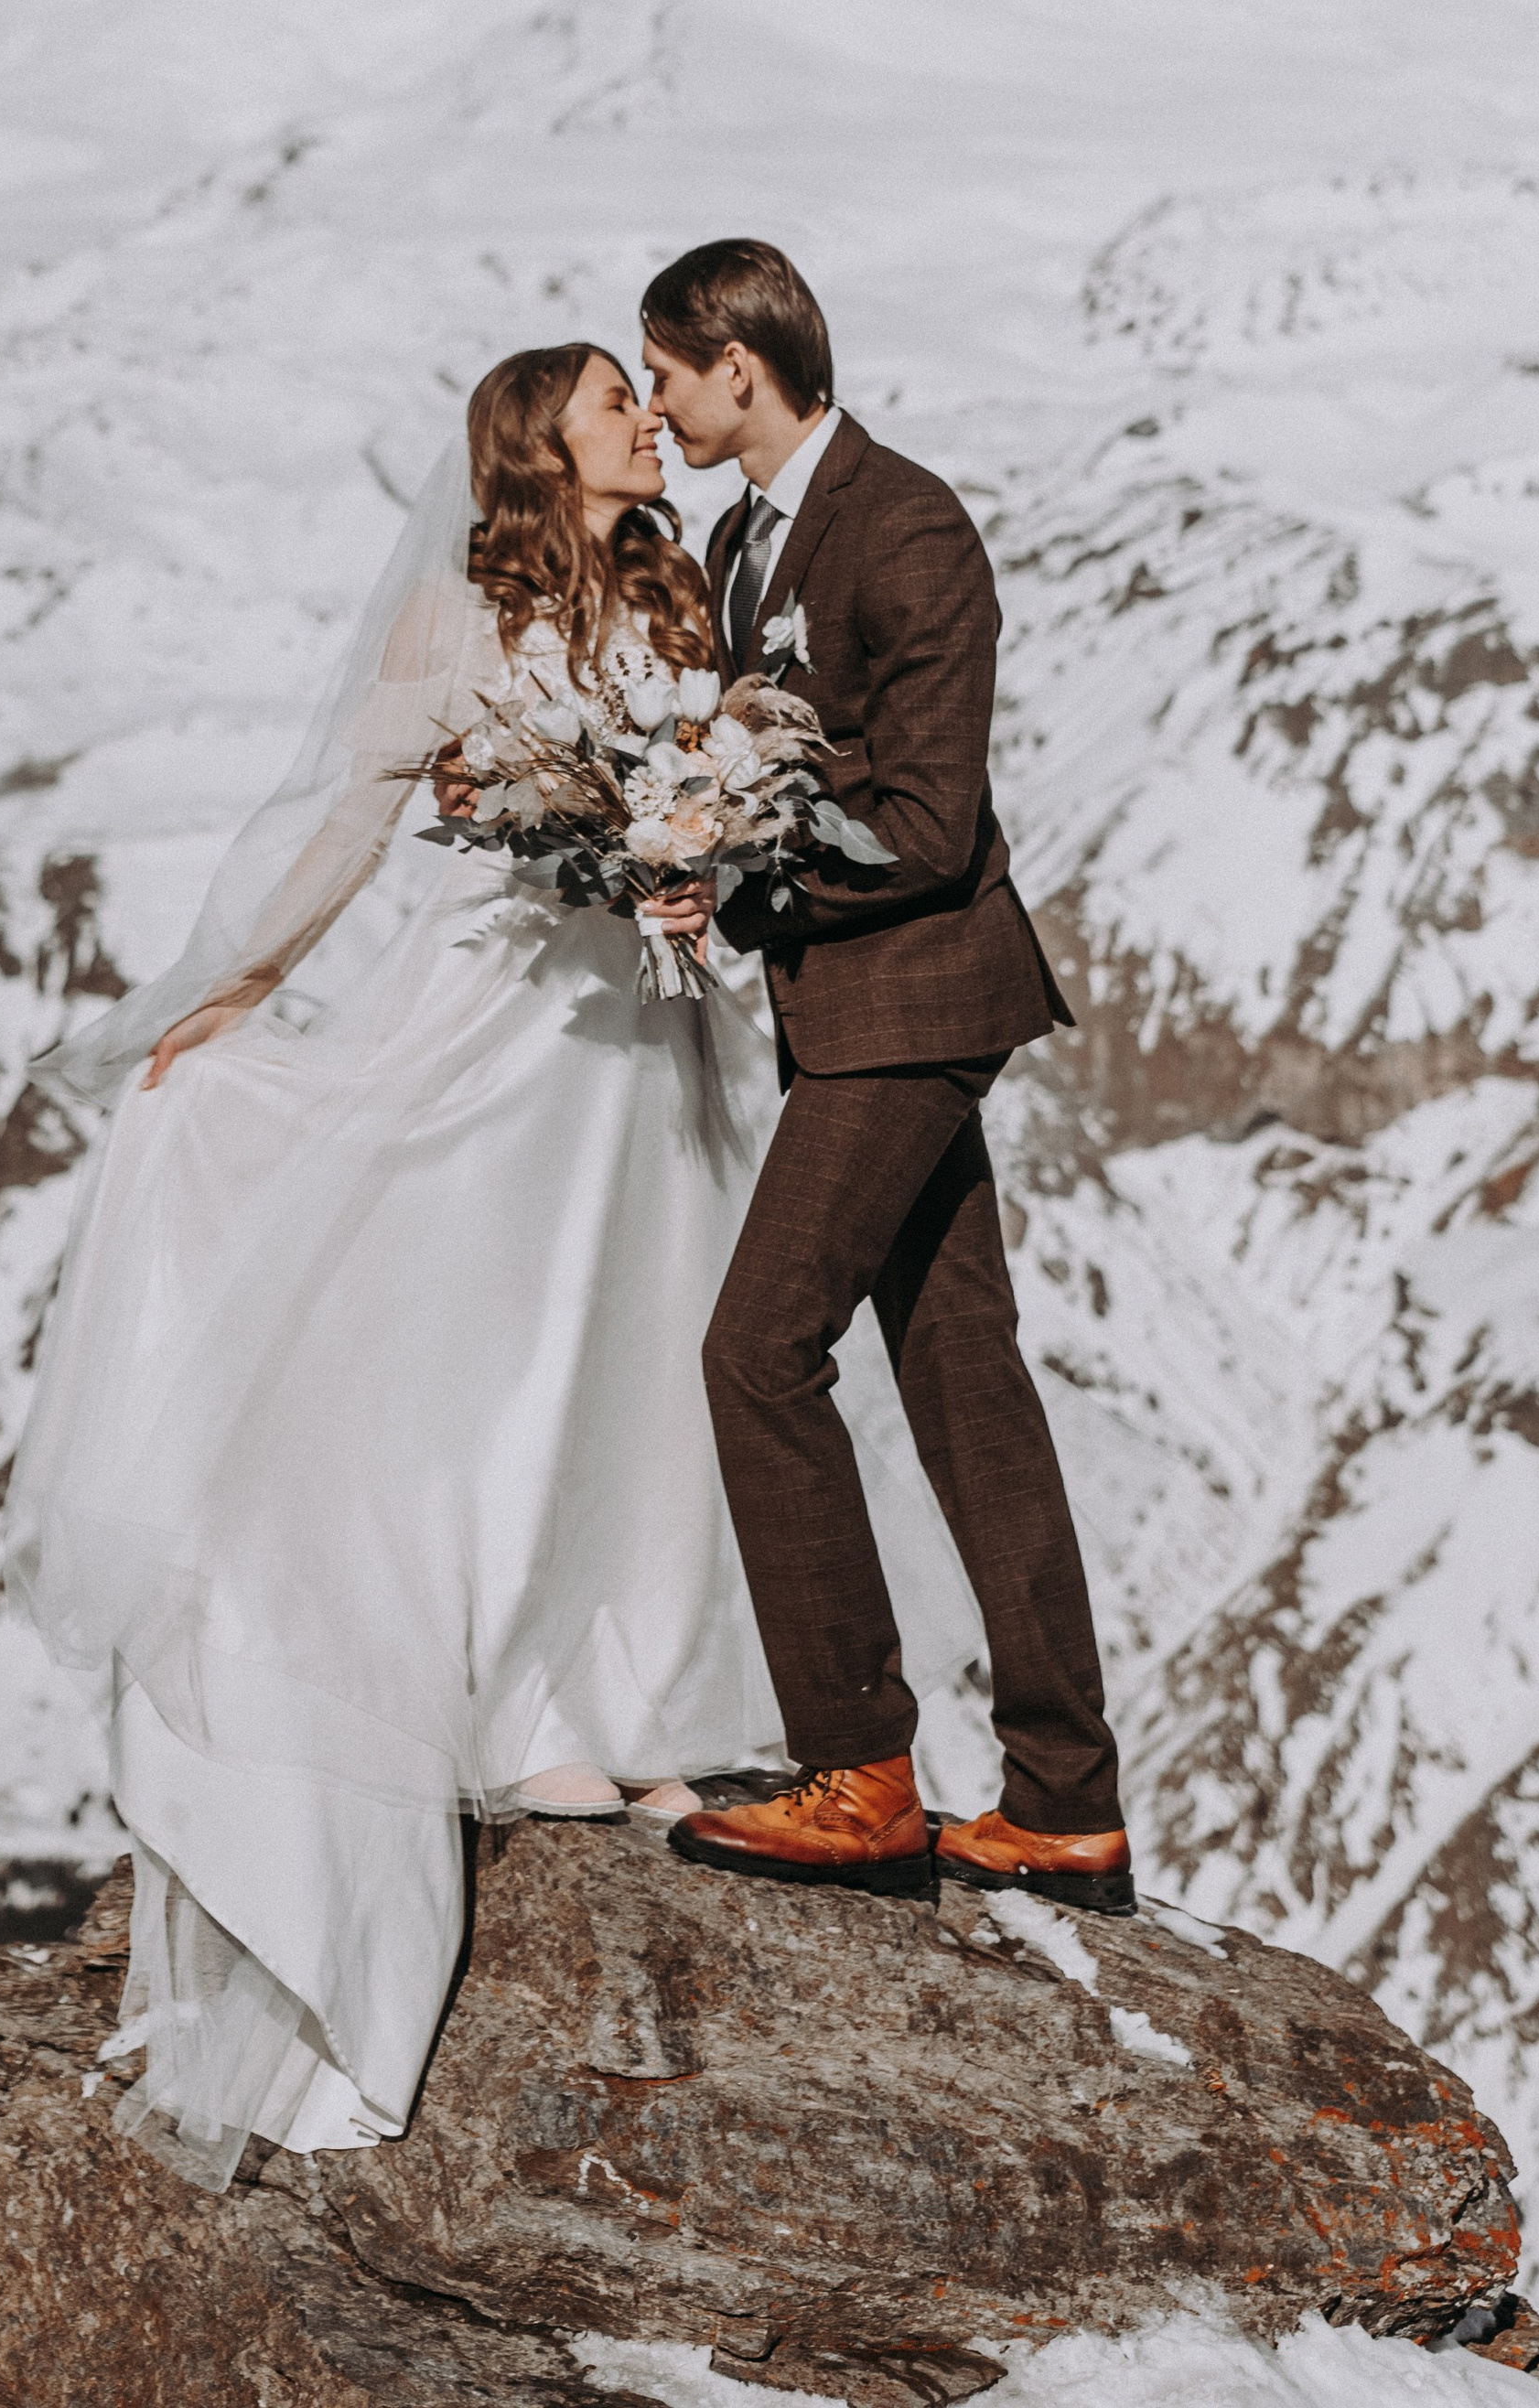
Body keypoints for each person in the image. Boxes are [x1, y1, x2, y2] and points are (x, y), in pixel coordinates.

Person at [5, 341, 982, 2188]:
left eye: (644, 390)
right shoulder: (470, 596)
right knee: (496, 1335)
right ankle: (524, 1702)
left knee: (650, 1351)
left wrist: (693, 855)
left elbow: (710, 788)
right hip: (501, 1022)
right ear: (536, 441)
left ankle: (627, 1695)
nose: (639, 412)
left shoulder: (675, 585)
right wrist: (241, 984)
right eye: (608, 395)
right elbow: (357, 810)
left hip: (649, 1033)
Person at [637, 240, 1134, 1918]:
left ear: (739, 362)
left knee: (756, 1349)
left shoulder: (908, 526)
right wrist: (706, 863)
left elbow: (925, 822)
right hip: (849, 1007)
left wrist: (749, 842)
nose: (658, 405)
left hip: (916, 1005)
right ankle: (1066, 1805)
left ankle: (858, 1771)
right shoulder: (737, 543)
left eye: (667, 374)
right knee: (964, 1387)